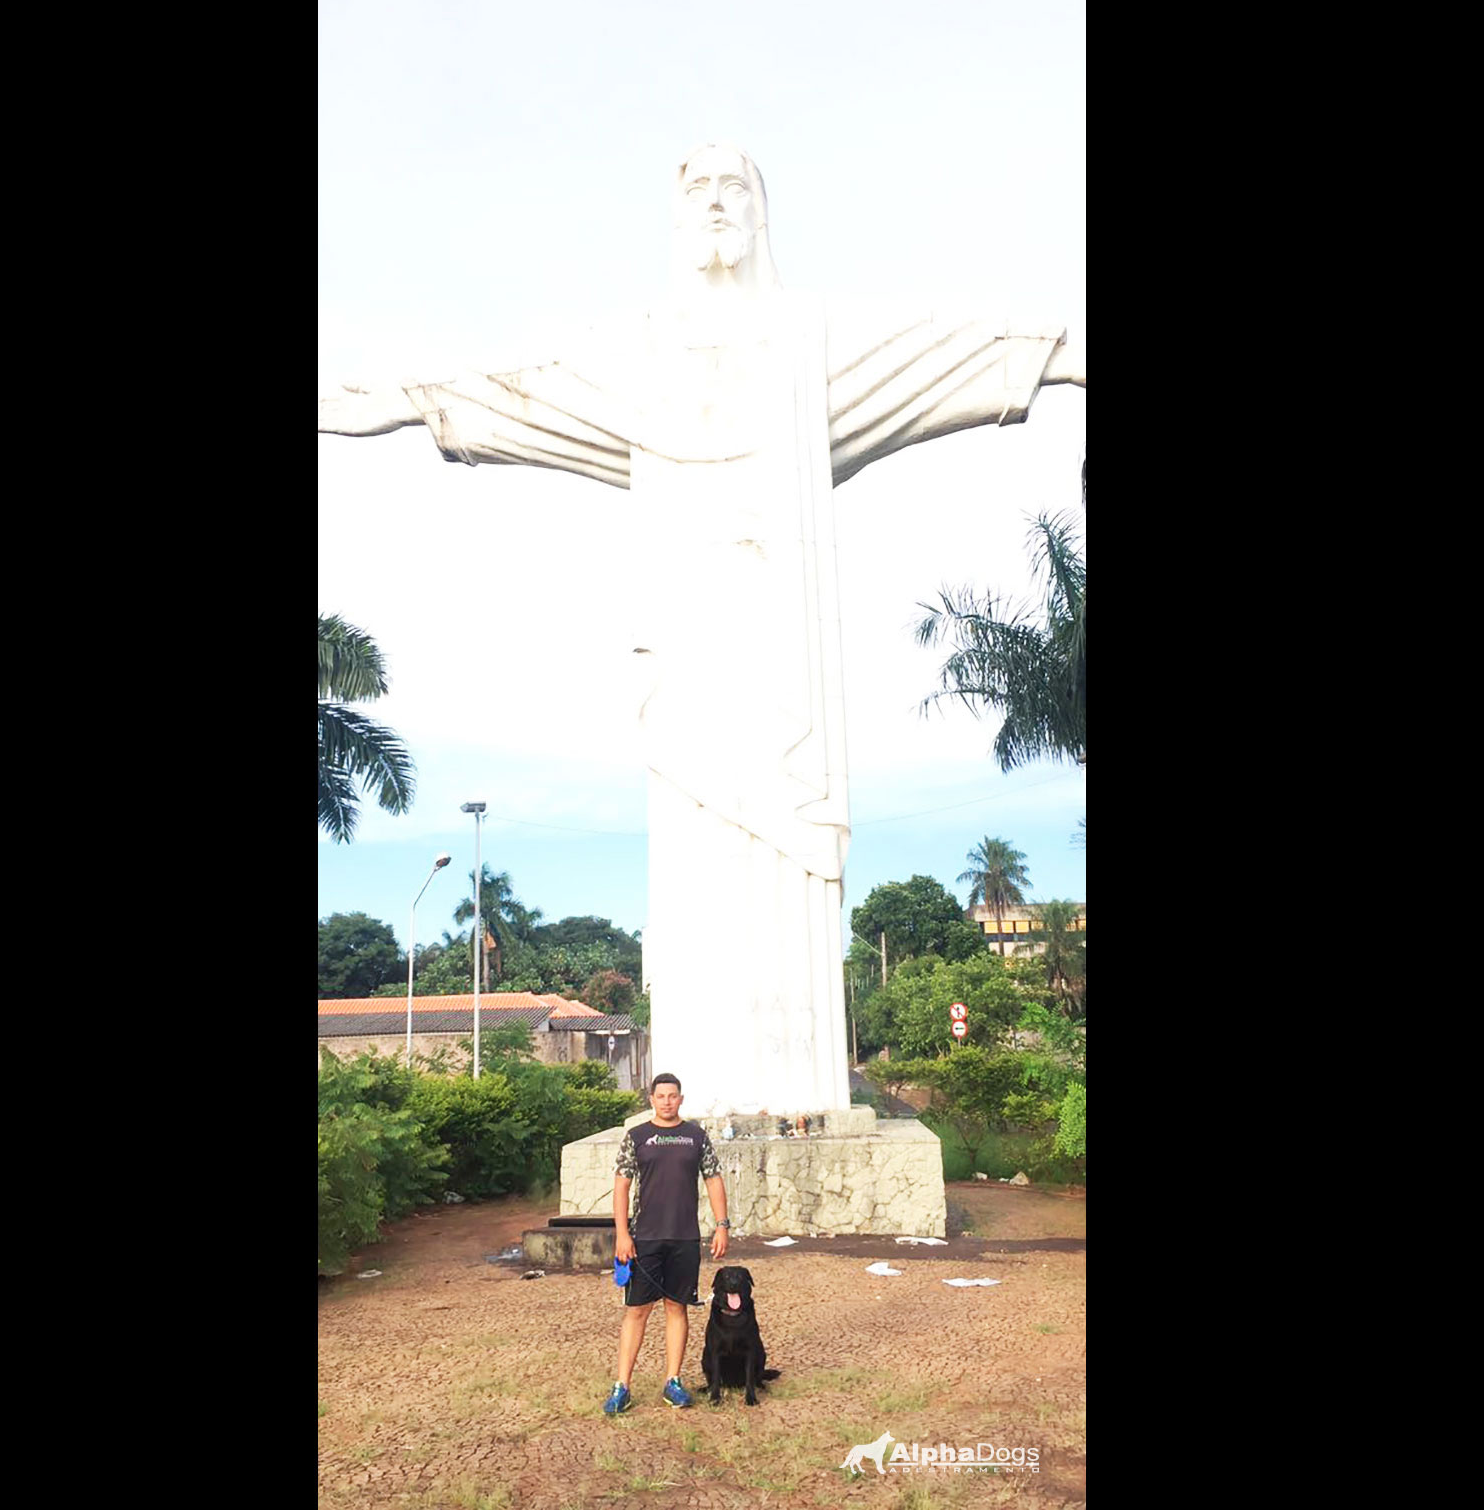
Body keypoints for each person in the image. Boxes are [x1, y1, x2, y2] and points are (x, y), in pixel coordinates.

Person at [319, 144, 1085, 1118]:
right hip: (685, 656)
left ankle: (803, 1091)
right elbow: (524, 391)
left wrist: (1050, 356)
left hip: (784, 653)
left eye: (735, 188)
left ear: (762, 214)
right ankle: (699, 1102)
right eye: (697, 190)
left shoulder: (808, 344)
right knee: (691, 839)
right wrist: (398, 403)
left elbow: (930, 360)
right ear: (674, 220)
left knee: (789, 841)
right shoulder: (638, 357)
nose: (717, 204)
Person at [603, 1072, 729, 1414]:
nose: (667, 1101)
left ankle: (673, 1381)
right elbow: (621, 1186)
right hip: (644, 1237)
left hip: (684, 1237)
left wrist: (722, 1226)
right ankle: (622, 1386)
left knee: (677, 1307)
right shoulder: (637, 1137)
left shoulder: (696, 1136)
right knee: (637, 1311)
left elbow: (714, 1179)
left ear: (681, 1099)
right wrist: (622, 1234)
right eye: (661, 1096)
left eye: (673, 1096)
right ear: (652, 1100)